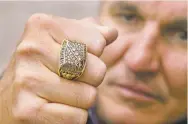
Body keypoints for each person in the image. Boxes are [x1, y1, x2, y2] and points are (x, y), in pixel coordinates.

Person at [0, 1, 187, 124]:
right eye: (128, 17)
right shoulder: (21, 101)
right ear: (98, 19)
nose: (138, 61)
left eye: (183, 35)